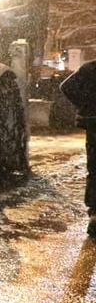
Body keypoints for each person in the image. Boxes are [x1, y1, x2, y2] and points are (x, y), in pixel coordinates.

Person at [60, 60, 96, 235]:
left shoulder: (89, 68)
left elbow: (66, 87)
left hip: (93, 124)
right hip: (93, 122)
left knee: (95, 169)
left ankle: (95, 214)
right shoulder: (90, 68)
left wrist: (85, 105)